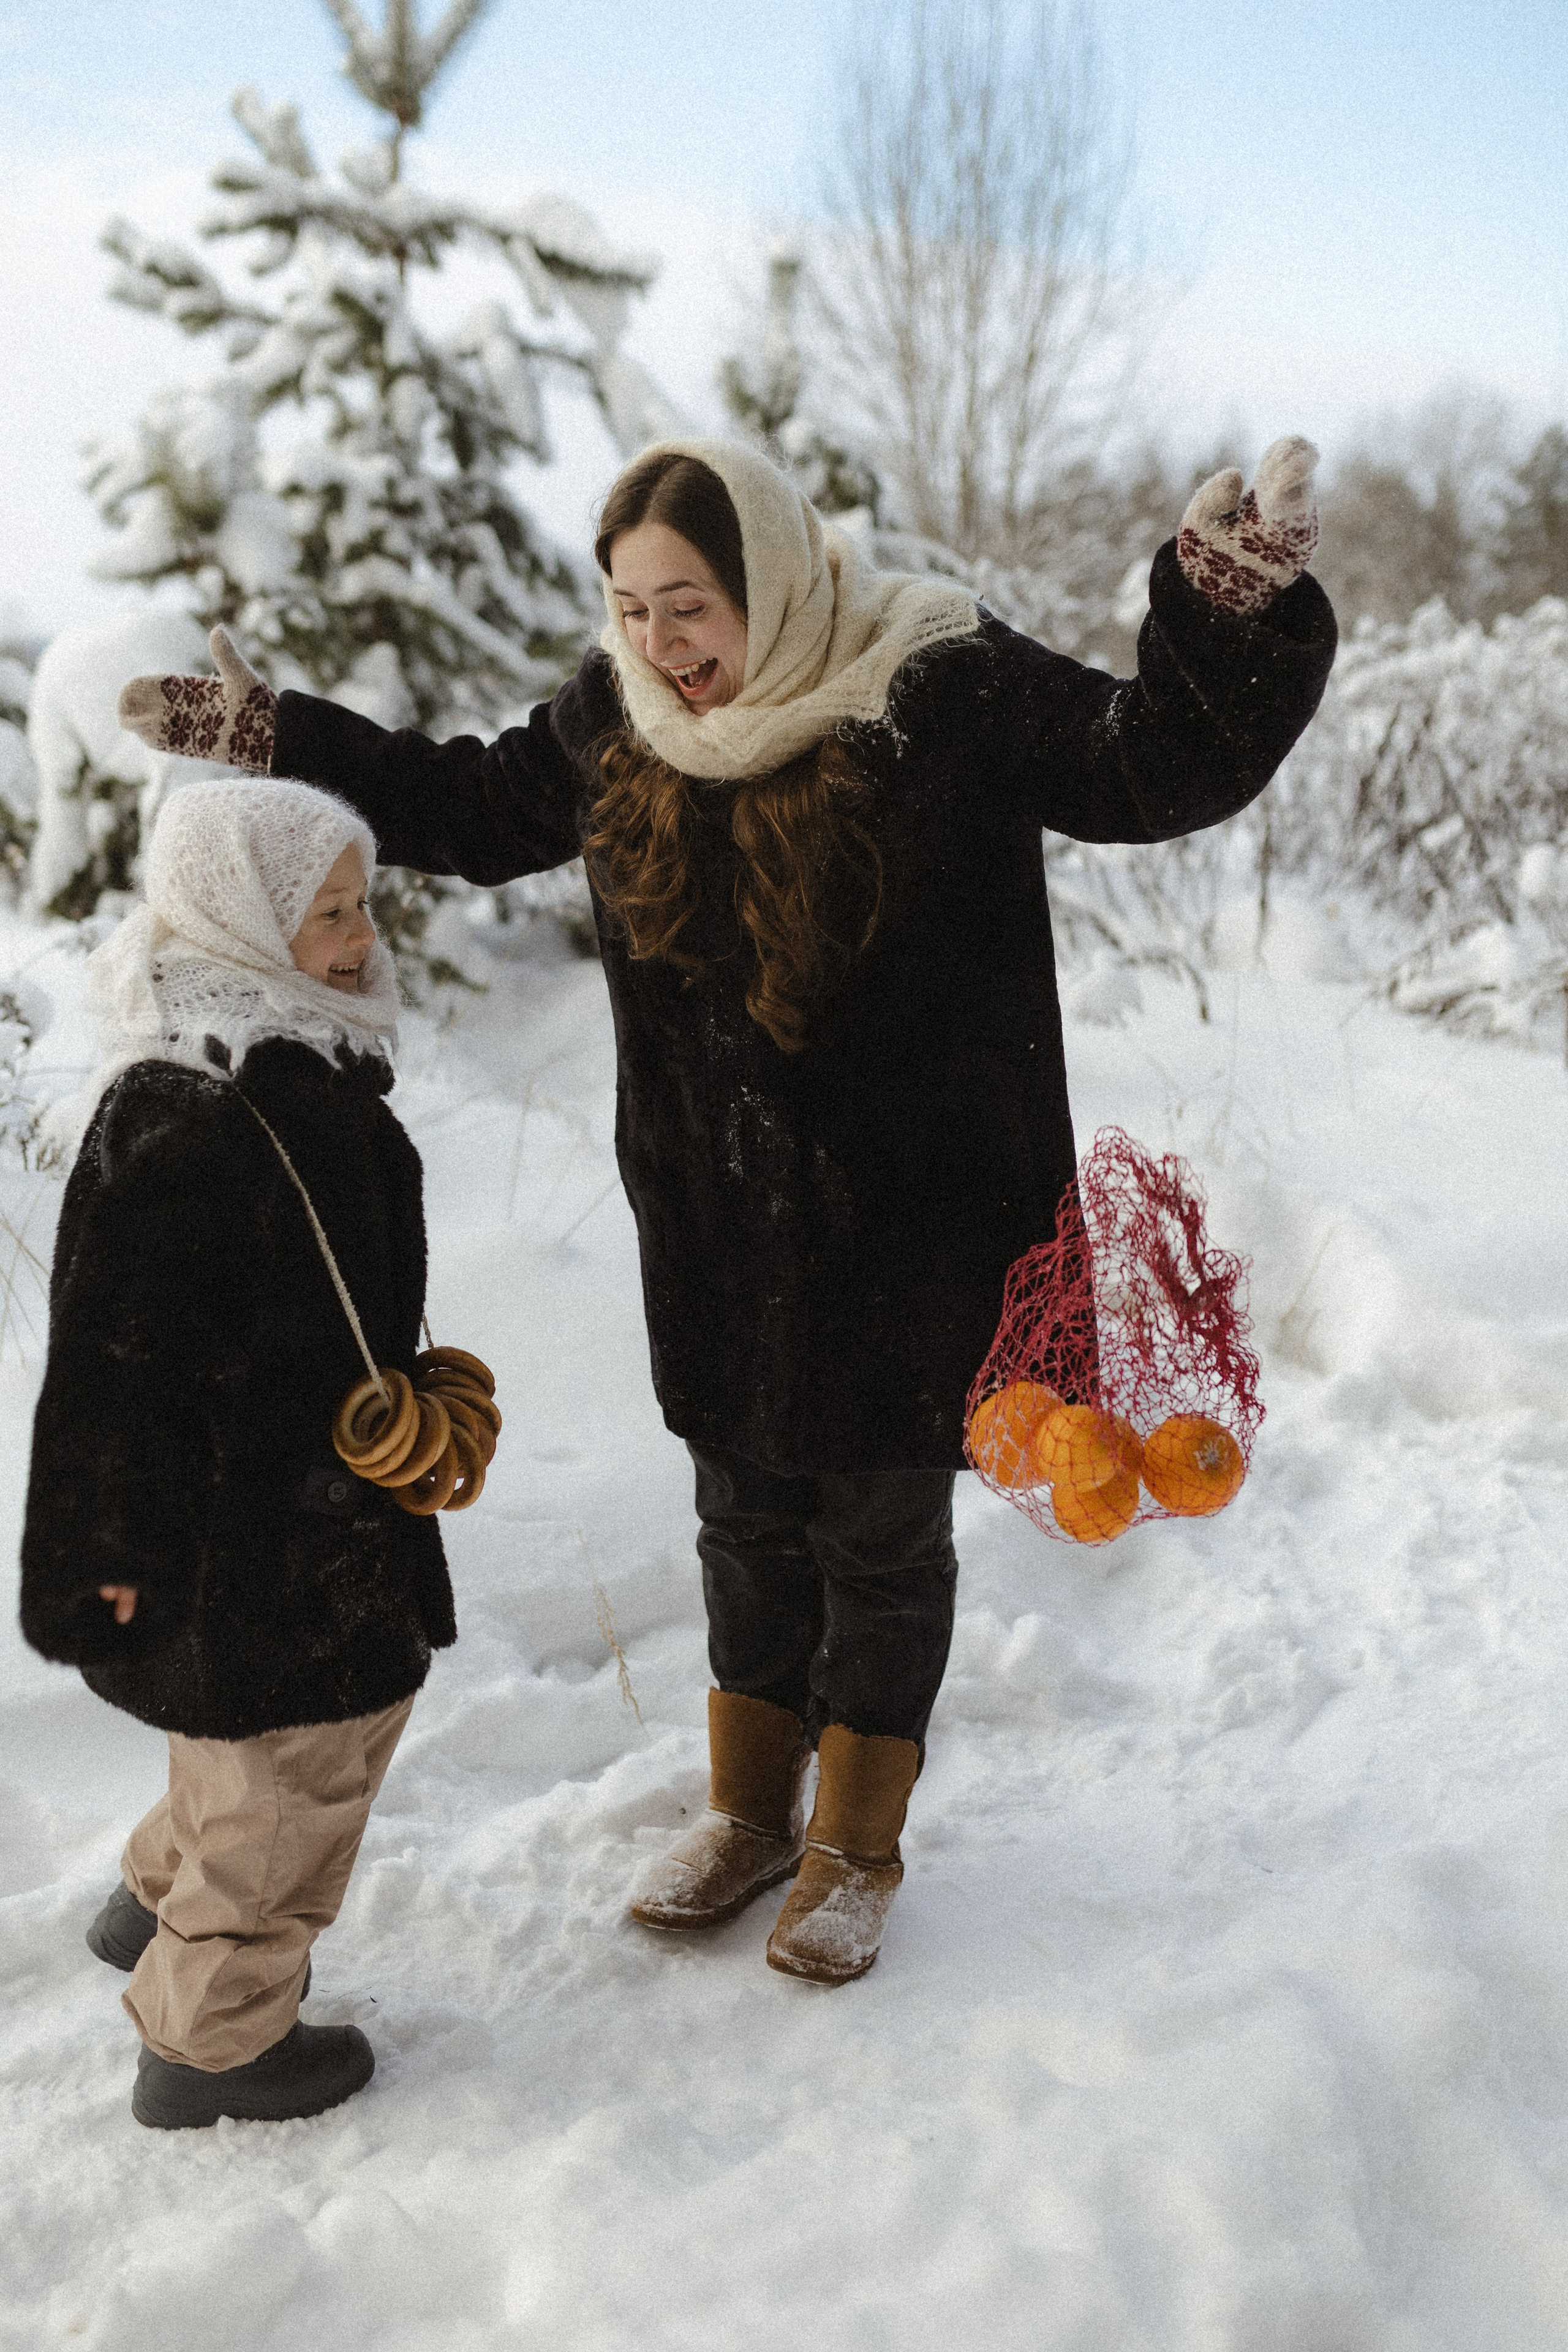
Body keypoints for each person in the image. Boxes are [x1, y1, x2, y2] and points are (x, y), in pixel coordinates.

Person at [115, 434, 1336, 1987]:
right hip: (715, 1211)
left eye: (687, 605)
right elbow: (470, 806)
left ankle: (856, 1842)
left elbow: (1143, 762)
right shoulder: (618, 719)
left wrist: (1222, 614)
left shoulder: (934, 678)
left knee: (879, 1535)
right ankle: (751, 1810)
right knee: (742, 1518)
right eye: (629, 609)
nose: (658, 643)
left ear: (766, 573)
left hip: (916, 1216)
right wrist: (283, 738)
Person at [19, 778, 457, 2125]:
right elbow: (116, 1361)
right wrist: (107, 1553)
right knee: (295, 1779)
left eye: (361, 903)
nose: (359, 937)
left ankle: (156, 1901)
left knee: (256, 1757)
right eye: (324, 915)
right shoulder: (193, 1114)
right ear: (238, 920)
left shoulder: (292, 1052)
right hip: (254, 1540)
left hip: (314, 1512)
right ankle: (213, 2043)